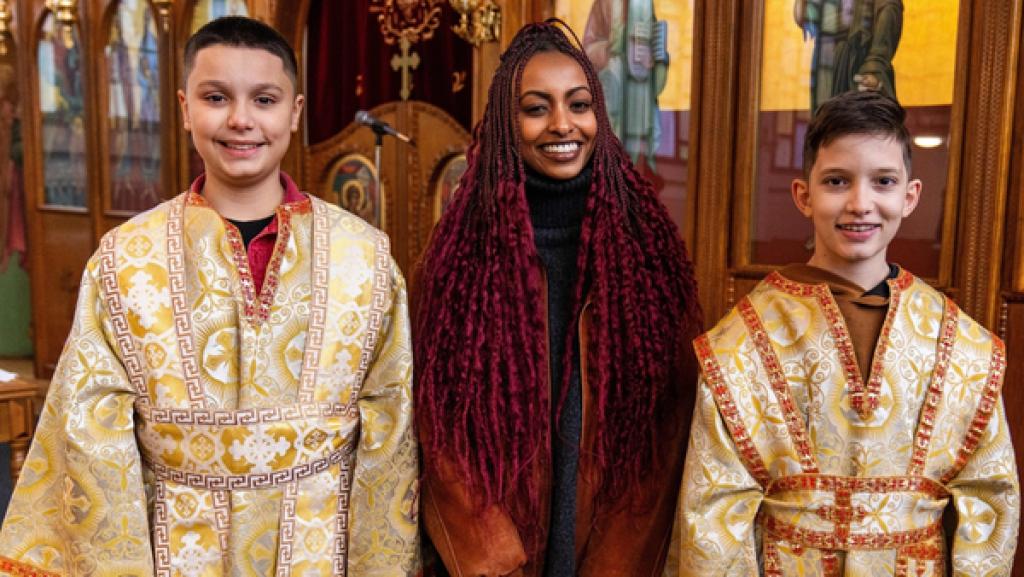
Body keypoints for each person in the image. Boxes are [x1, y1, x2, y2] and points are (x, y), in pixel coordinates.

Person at [0, 16, 418, 576]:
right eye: (216, 97)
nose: (241, 120)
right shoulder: (126, 259)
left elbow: (392, 433)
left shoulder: (364, 258)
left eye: (264, 99)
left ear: (294, 111)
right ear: (184, 107)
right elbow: (89, 436)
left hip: (322, 548)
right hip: (177, 547)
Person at [668, 90, 1019, 576]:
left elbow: (990, 500)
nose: (861, 203)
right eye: (837, 181)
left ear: (909, 196)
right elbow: (713, 516)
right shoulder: (741, 344)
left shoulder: (961, 346)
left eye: (883, 181)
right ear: (804, 195)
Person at [414, 20, 701, 577]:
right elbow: (438, 431)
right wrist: (492, 564)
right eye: (536, 108)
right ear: (506, 124)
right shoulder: (456, 256)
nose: (563, 124)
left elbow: (664, 433)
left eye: (579, 104)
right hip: (496, 558)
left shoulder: (648, 252)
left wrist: (617, 566)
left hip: (608, 549)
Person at [794, 0, 903, 112]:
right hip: (826, 60)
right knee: (826, 120)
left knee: (857, 118)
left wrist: (874, 65)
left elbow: (889, 11)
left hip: (857, 60)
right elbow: (805, 18)